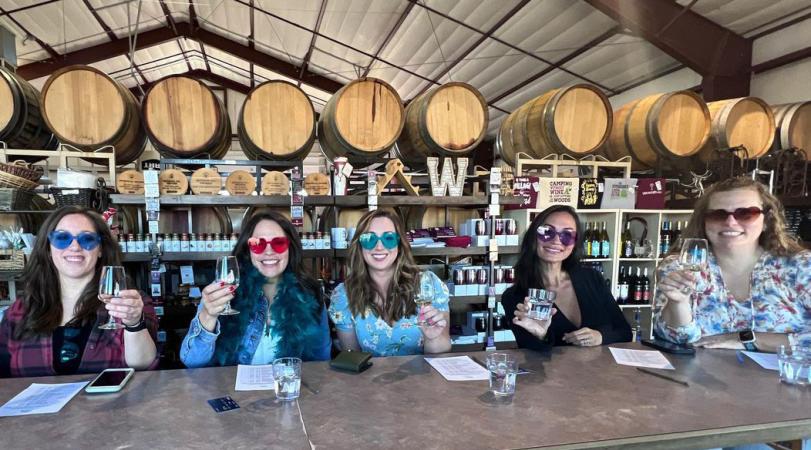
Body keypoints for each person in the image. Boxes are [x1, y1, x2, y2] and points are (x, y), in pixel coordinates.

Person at [654, 177, 811, 352]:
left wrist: (747, 339)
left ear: (767, 220)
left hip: (787, 377)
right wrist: (678, 304)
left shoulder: (801, 267)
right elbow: (678, 340)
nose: (730, 222)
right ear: (704, 221)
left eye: (746, 214)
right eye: (718, 215)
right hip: (702, 376)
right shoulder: (680, 266)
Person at [0, 206, 157, 378]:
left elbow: (143, 366)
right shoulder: (19, 311)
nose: (75, 246)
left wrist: (134, 323)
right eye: (62, 238)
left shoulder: (129, 304)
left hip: (112, 405)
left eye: (87, 239)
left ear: (100, 250)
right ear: (48, 249)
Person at [181, 211, 330, 367]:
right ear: (248, 249)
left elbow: (321, 363)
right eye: (258, 244)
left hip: (288, 390)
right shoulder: (223, 291)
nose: (269, 251)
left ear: (290, 248)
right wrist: (208, 315)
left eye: (279, 243)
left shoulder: (311, 294)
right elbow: (191, 362)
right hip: (232, 390)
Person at [503, 205, 631, 350]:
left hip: (600, 371)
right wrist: (541, 335)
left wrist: (600, 336)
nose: (556, 241)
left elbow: (625, 332)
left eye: (567, 235)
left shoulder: (592, 278)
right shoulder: (515, 296)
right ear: (533, 236)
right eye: (547, 232)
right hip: (553, 372)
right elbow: (530, 354)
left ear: (575, 243)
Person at [329, 209, 451, 356]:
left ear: (399, 245)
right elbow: (352, 359)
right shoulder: (344, 295)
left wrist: (433, 338)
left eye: (389, 238)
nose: (379, 247)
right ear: (360, 246)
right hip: (369, 378)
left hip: (421, 377)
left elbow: (442, 354)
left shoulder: (428, 285)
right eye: (369, 239)